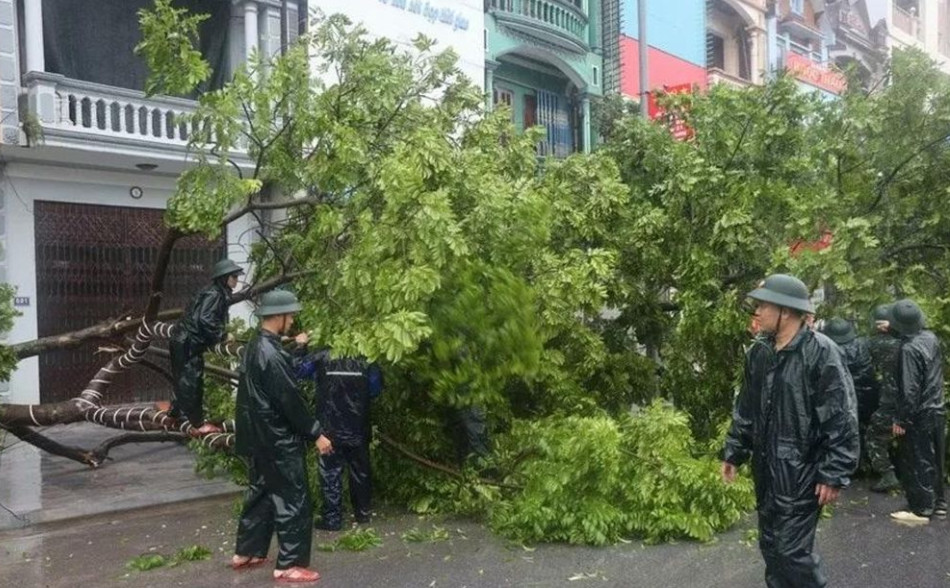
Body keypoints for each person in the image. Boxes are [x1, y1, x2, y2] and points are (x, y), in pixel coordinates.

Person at [722, 274, 859, 588]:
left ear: (785, 310)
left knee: (793, 554)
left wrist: (833, 471)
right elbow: (746, 408)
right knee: (771, 548)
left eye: (763, 306)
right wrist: (734, 451)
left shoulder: (821, 353)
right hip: (767, 470)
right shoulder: (759, 353)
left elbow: (840, 416)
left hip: (801, 472)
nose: (756, 312)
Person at [232, 290, 333, 583]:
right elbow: (289, 399)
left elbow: (276, 370)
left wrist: (297, 347)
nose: (292, 321)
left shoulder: (256, 346)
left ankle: (247, 552)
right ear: (279, 316)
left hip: (258, 437)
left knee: (261, 493)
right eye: (290, 316)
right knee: (293, 497)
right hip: (278, 439)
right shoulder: (271, 354)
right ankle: (289, 564)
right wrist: (316, 433)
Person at [296, 349, 383, 531]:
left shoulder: (321, 356)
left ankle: (332, 518)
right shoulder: (368, 357)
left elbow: (297, 371)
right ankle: (362, 514)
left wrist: (300, 348)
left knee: (330, 473)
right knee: (360, 471)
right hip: (358, 426)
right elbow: (375, 389)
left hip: (329, 429)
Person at [887, 299, 947, 524]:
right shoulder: (930, 338)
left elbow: (909, 389)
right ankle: (938, 504)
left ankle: (922, 510)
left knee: (918, 460)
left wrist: (900, 420)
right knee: (935, 459)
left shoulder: (908, 349)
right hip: (937, 408)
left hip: (918, 414)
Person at [167, 259, 243, 436]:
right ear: (224, 278)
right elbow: (205, 319)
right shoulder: (215, 294)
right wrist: (222, 336)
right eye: (233, 276)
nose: (236, 280)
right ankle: (198, 424)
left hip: (181, 339)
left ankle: (174, 414)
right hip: (188, 342)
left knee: (181, 378)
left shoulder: (210, 291)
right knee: (192, 381)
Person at [821, 318, 879, 472]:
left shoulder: (831, 350)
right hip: (869, 394)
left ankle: (852, 465)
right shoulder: (862, 344)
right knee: (867, 429)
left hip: (848, 397)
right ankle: (869, 464)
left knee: (847, 430)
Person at [866, 304, 902, 493]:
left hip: (890, 401)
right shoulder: (906, 341)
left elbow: (867, 370)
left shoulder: (874, 343)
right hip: (912, 400)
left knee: (874, 436)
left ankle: (887, 474)